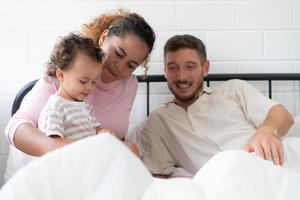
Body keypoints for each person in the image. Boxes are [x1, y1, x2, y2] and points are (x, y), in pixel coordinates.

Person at [4, 9, 155, 181]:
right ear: (104, 37)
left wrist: (105, 139)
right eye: (118, 53)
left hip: (83, 173)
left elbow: (112, 132)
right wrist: (63, 148)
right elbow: (16, 126)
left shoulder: (130, 85)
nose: (119, 66)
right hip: (39, 175)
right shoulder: (70, 70)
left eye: (131, 65)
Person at [131, 34, 295, 178]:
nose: (181, 76)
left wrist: (267, 131)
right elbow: (158, 174)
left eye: (190, 66)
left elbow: (282, 115)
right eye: (173, 68)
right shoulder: (157, 122)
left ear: (205, 68)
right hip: (230, 182)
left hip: (278, 162)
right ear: (165, 71)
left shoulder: (234, 90)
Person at [38, 33, 111, 143]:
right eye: (83, 81)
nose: (90, 87)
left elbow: (95, 129)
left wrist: (102, 132)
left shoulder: (85, 105)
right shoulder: (56, 106)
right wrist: (82, 147)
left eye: (94, 82)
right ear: (61, 75)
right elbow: (52, 141)